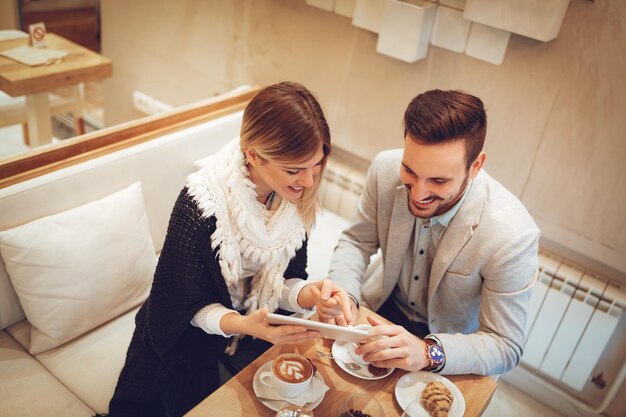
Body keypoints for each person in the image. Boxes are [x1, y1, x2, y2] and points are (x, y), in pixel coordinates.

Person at [104, 82, 350, 417]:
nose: (308, 181)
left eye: (316, 165)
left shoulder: (292, 202)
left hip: (253, 331)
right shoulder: (200, 207)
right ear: (253, 155)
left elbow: (285, 283)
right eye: (294, 170)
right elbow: (185, 308)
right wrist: (246, 325)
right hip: (186, 337)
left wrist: (312, 294)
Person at [317, 89, 540, 376]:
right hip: (377, 311)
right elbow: (356, 242)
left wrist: (427, 352)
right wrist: (344, 294)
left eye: (438, 180)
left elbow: (505, 345)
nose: (419, 194)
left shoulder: (513, 235)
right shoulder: (384, 169)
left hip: (451, 347)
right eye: (410, 171)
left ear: (476, 166)